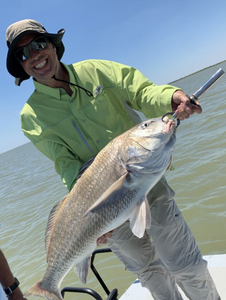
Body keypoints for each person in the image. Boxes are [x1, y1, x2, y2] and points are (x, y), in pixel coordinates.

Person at [5, 19, 220, 300]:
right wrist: (90, 221)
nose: (34, 56)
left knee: (185, 263)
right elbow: (66, 164)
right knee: (148, 271)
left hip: (146, 182)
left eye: (38, 44)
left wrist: (172, 96)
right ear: (20, 66)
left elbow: (141, 91)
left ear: (53, 45)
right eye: (23, 54)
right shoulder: (30, 117)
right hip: (100, 205)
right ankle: (50, 287)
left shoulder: (97, 71)